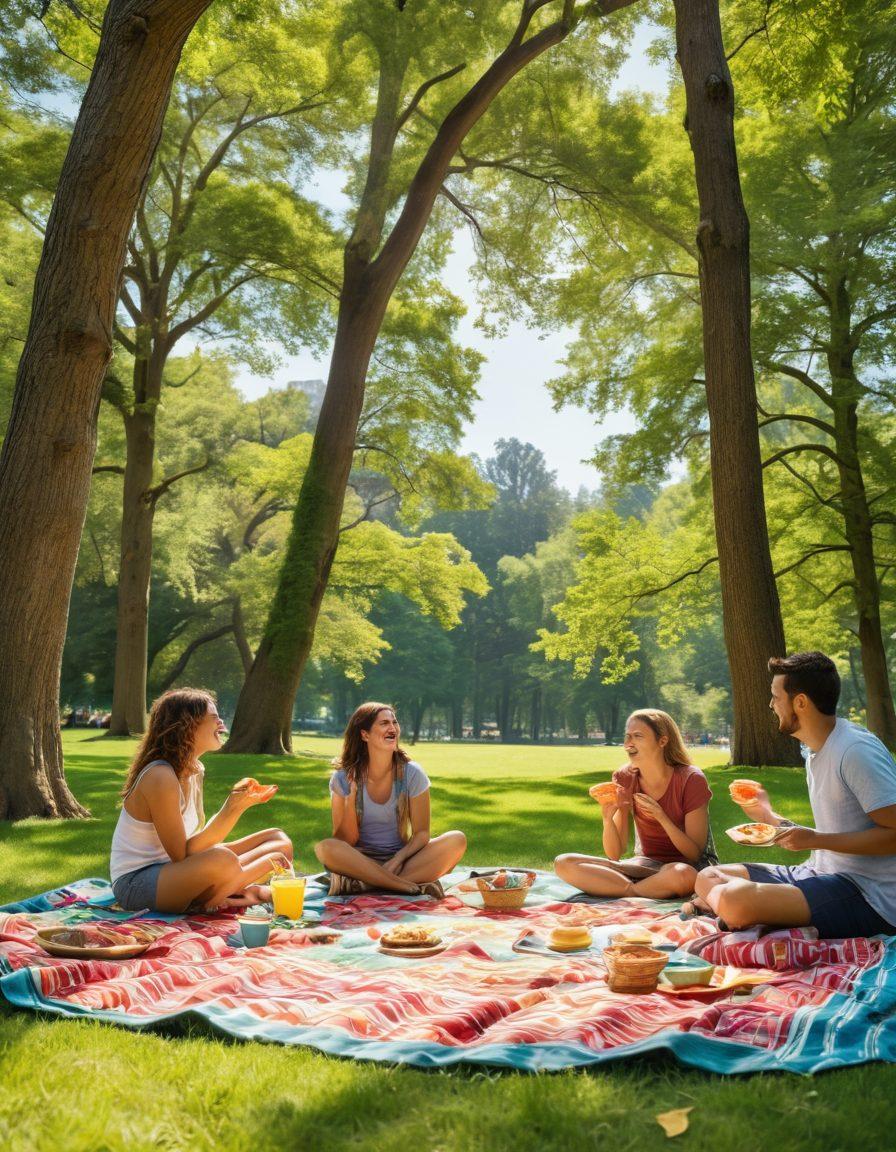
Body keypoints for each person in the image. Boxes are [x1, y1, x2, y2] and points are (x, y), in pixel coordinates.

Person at [693, 651, 896, 938]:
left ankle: (732, 913)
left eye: (776, 697)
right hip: (819, 873)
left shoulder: (854, 751)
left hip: (869, 895)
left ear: (800, 702)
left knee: (734, 899)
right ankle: (746, 913)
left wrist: (816, 840)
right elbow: (829, 834)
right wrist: (767, 815)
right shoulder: (815, 750)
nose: (771, 705)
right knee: (707, 876)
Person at [110, 688, 293, 913]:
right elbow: (180, 855)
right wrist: (231, 810)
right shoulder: (160, 776)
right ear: (188, 726)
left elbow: (194, 846)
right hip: (137, 884)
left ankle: (233, 888)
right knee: (223, 860)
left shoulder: (194, 769)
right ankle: (230, 896)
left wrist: (236, 806)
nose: (221, 722)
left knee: (278, 840)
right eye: (214, 717)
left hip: (177, 870)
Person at [554, 709, 718, 899]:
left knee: (681, 874)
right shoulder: (624, 777)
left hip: (686, 868)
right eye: (627, 737)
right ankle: (640, 890)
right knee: (564, 863)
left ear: (662, 741)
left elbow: (694, 854)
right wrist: (608, 818)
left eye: (637, 736)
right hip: (644, 866)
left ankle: (626, 889)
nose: (627, 744)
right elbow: (615, 854)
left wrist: (661, 817)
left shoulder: (691, 779)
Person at [314, 702, 467, 897]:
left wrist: (397, 859)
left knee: (456, 840)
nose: (392, 728)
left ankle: (373, 885)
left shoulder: (412, 773)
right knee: (326, 848)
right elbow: (345, 840)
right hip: (359, 862)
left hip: (401, 861)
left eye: (394, 722)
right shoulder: (342, 778)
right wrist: (350, 799)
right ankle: (400, 885)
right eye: (384, 723)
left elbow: (421, 834)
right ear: (365, 734)